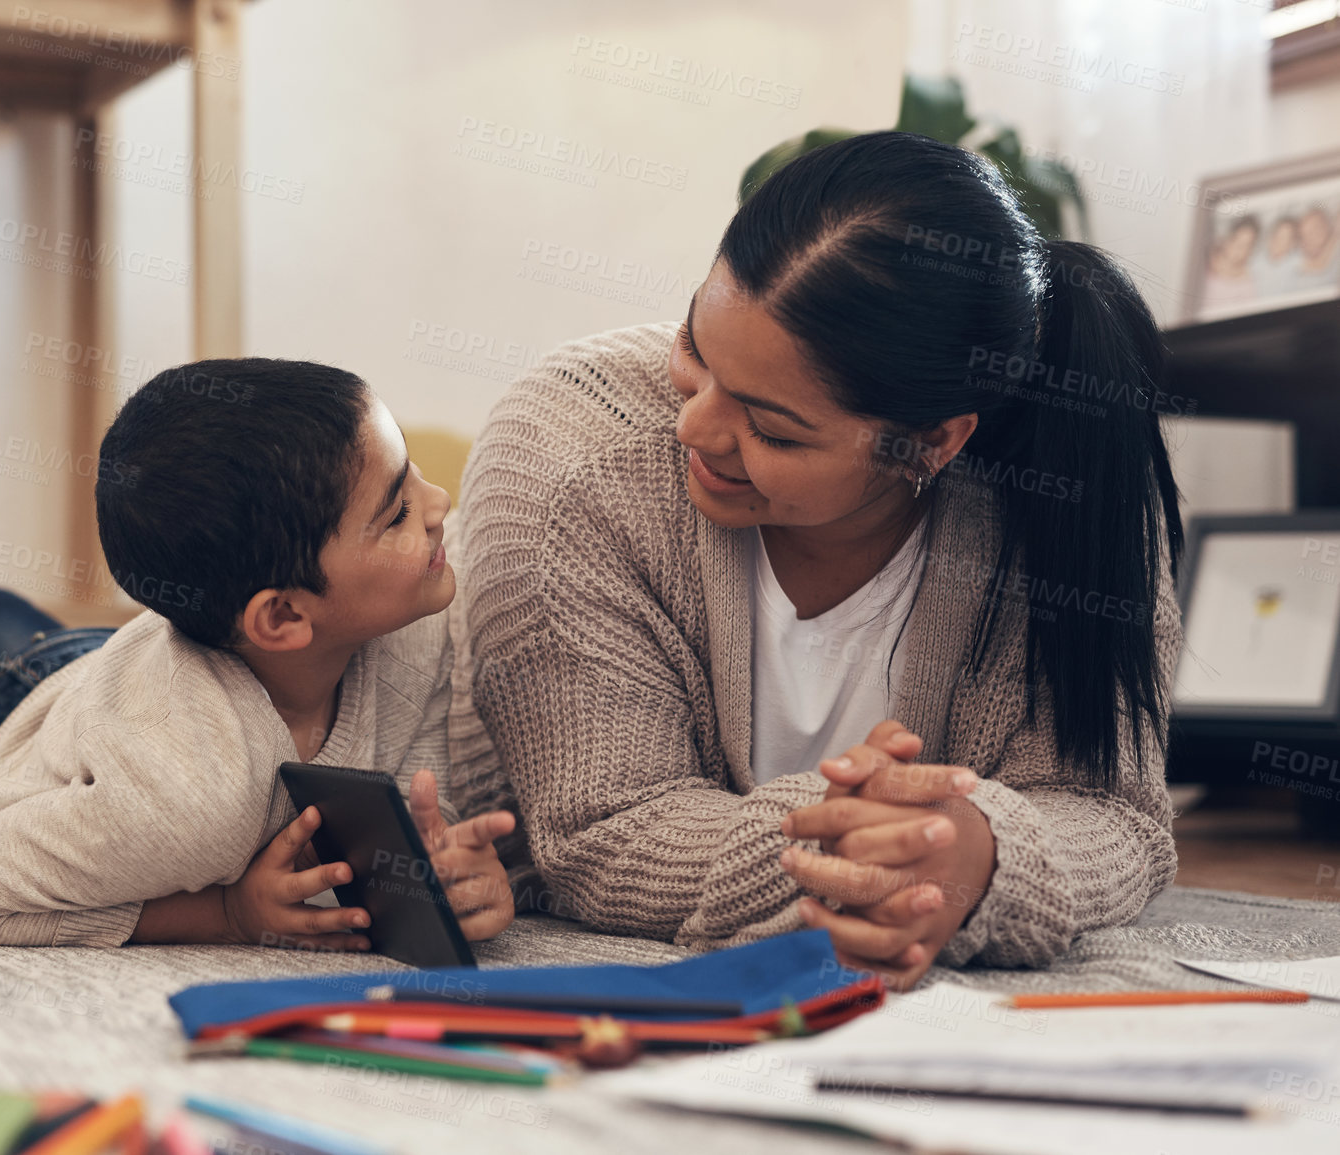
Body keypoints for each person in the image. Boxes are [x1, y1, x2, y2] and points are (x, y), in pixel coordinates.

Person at [449, 131, 1184, 990]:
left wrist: (977, 854)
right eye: (695, 346)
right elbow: (598, 830)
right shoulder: (570, 449)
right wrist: (864, 855)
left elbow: (1112, 812)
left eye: (771, 428)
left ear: (931, 444)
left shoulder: (1062, 490)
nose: (694, 428)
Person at [0, 358, 515, 949]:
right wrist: (225, 911)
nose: (439, 504)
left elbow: (424, 789)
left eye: (414, 476)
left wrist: (452, 866)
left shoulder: (413, 626)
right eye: (396, 512)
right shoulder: (189, 803)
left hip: (98, 666)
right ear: (281, 615)